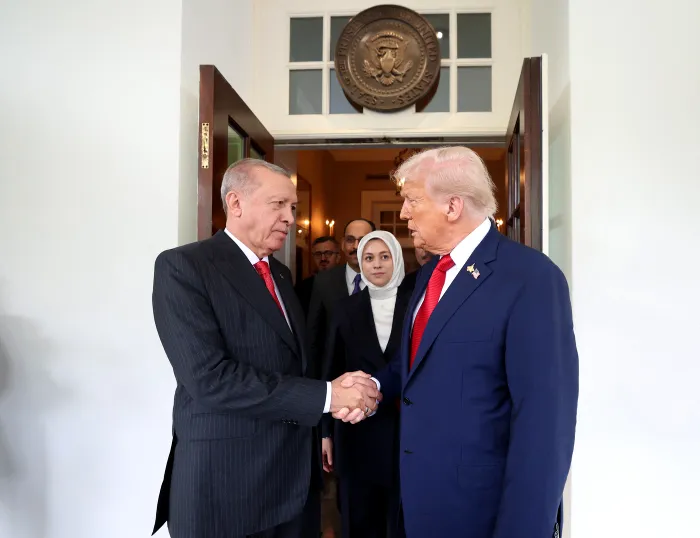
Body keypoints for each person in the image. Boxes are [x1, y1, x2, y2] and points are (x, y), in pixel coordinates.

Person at [340, 147, 579, 538]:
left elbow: (544, 426)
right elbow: (415, 364)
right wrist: (375, 385)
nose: (404, 213)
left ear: (452, 206)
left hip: (480, 515)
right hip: (416, 507)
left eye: (412, 200)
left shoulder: (530, 278)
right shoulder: (429, 274)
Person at [151, 158, 381, 538]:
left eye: (293, 207)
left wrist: (336, 401)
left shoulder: (281, 274)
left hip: (294, 487)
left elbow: (294, 366)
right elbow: (210, 379)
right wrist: (328, 396)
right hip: (226, 488)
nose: (290, 218)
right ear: (236, 203)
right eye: (279, 205)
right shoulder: (184, 267)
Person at [321, 231, 414, 538]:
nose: (377, 265)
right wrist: (325, 433)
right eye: (369, 258)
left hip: (406, 430)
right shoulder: (344, 308)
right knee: (359, 519)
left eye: (384, 257)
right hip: (356, 430)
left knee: (403, 519)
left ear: (397, 259)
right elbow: (331, 369)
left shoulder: (417, 305)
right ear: (360, 263)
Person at [306, 218, 376, 379]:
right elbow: (313, 336)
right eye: (350, 240)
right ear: (343, 245)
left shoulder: (386, 281)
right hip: (334, 377)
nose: (355, 246)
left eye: (363, 240)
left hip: (375, 378)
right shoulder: (324, 281)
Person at [295, 236, 341, 316]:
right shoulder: (301, 288)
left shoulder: (348, 284)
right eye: (318, 254)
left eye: (328, 253)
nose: (323, 258)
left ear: (338, 257)